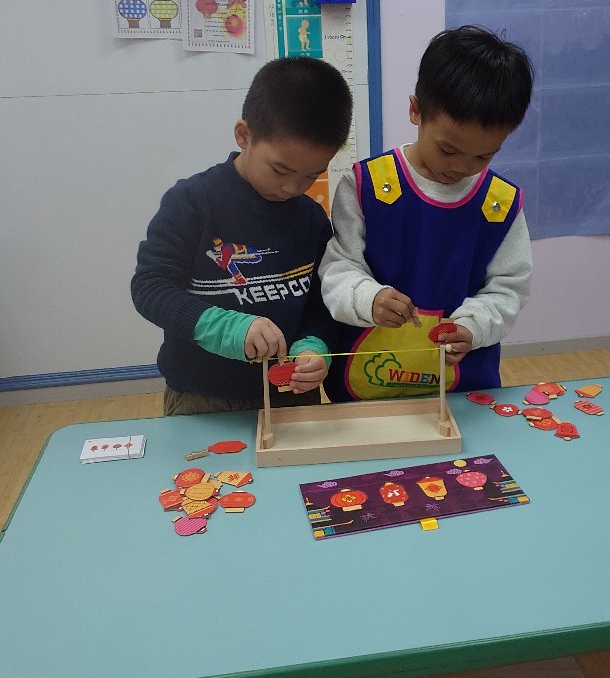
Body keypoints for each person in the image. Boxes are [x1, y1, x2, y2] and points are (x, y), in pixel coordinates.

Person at [320, 26, 533, 401]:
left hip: (461, 388)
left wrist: (473, 326)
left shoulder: (499, 204)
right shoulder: (367, 185)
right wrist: (368, 298)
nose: (462, 167)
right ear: (416, 110)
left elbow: (508, 290)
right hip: (367, 385)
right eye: (449, 150)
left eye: (483, 156)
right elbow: (338, 269)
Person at [132, 57, 353, 415]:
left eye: (312, 175)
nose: (292, 187)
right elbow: (150, 288)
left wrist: (315, 346)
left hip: (290, 393)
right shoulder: (192, 202)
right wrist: (225, 328)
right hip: (202, 396)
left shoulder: (311, 218)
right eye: (280, 169)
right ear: (244, 135)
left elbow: (321, 302)